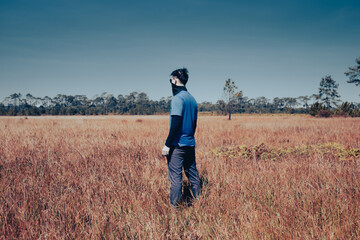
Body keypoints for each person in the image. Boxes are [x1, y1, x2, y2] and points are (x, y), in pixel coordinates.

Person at [162, 68, 201, 207]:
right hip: (190, 143)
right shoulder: (192, 99)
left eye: (171, 79)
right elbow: (194, 124)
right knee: (193, 175)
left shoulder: (177, 99)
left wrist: (167, 144)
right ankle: (199, 203)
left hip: (177, 145)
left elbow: (176, 122)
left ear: (175, 79)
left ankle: (175, 209)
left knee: (176, 178)